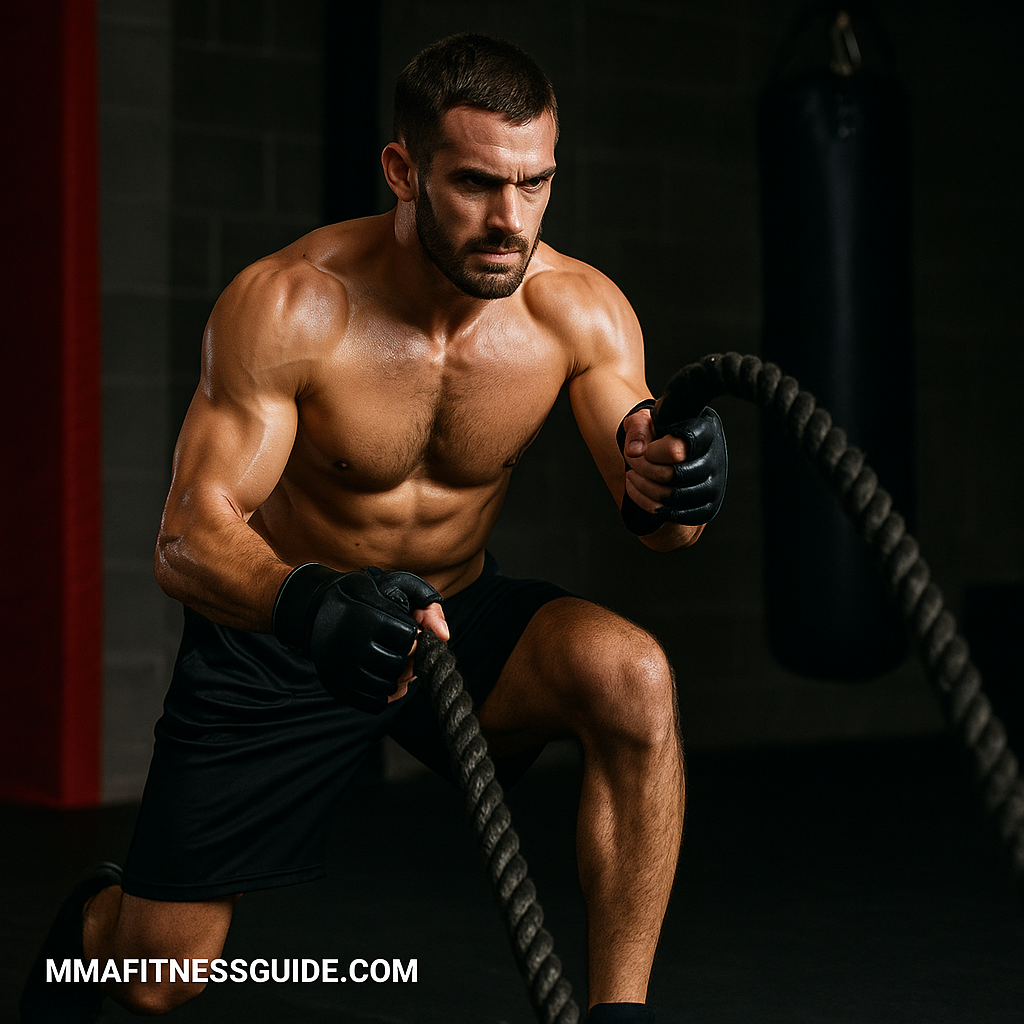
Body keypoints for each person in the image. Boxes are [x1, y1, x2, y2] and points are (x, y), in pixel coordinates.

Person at [21, 32, 726, 1024]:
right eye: (478, 183)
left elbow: (655, 523)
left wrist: (677, 491)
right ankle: (99, 921)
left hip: (451, 614)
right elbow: (185, 536)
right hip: (285, 630)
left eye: (535, 185)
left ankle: (619, 1012)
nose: (509, 221)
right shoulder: (292, 306)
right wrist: (306, 602)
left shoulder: (578, 311)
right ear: (404, 169)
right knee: (152, 978)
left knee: (633, 673)